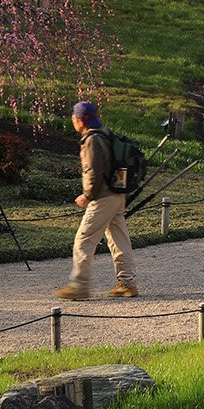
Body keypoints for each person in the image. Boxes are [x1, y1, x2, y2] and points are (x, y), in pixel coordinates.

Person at [54, 101, 137, 300]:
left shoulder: (92, 140)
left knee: (84, 239)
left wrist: (87, 195)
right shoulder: (105, 134)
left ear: (79, 120)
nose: (72, 120)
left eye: (74, 117)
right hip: (117, 194)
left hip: (103, 197)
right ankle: (128, 283)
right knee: (119, 240)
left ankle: (79, 285)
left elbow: (93, 171)